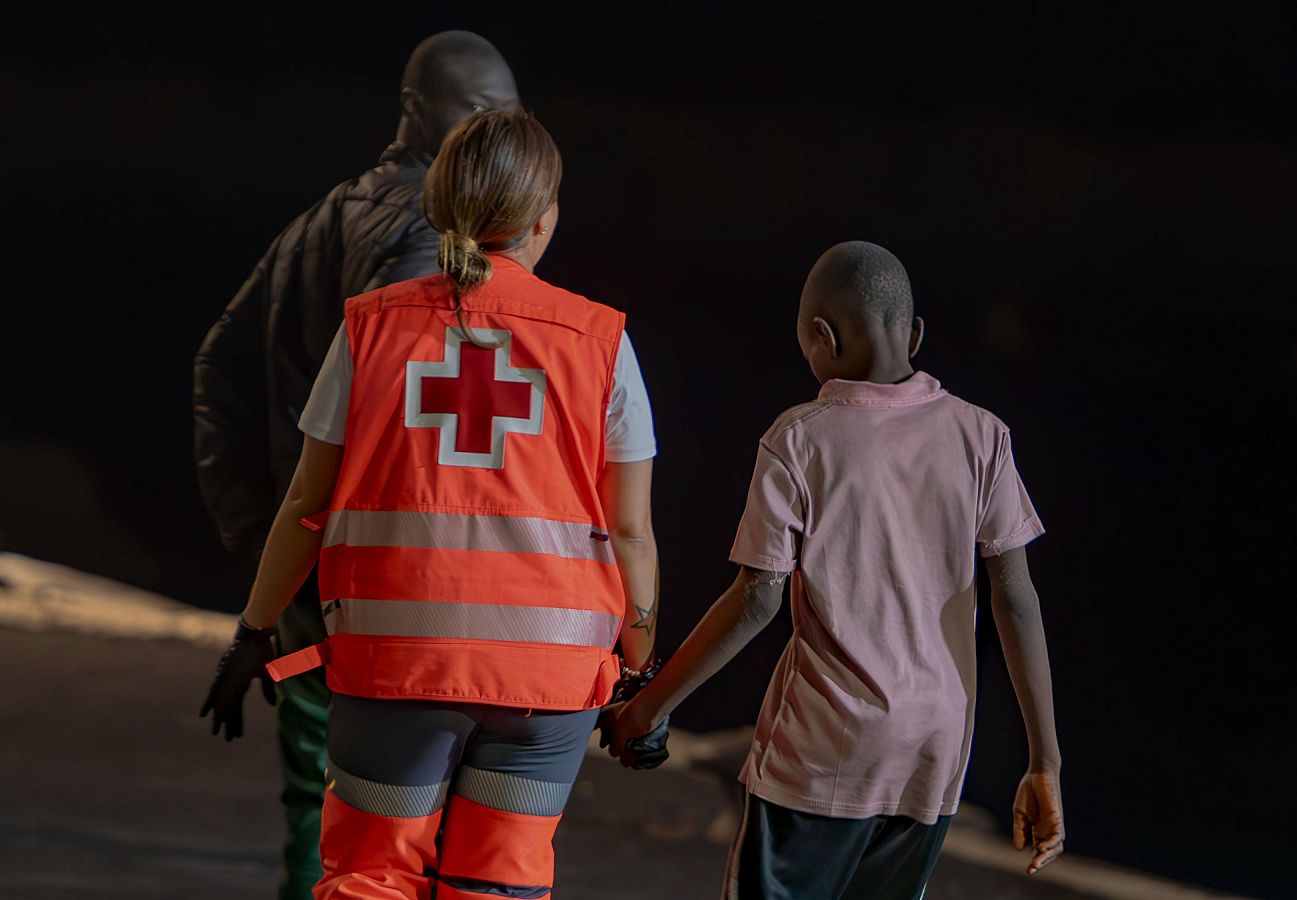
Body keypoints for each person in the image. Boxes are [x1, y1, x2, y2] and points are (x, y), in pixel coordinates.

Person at [200, 108, 662, 899]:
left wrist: (254, 628)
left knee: (370, 878)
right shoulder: (602, 343)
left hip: (393, 669)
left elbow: (305, 502)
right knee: (499, 888)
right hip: (543, 686)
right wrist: (643, 676)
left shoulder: (370, 330)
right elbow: (630, 530)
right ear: (544, 220)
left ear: (438, 207)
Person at [605, 241, 1065, 897]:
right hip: (933, 753)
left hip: (823, 753)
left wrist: (647, 708)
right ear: (915, 333)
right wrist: (1043, 763)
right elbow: (1015, 598)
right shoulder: (982, 434)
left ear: (820, 338)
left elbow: (756, 600)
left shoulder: (800, 438)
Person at [192, 31, 521, 899]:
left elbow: (218, 367)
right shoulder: (432, 233)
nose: (503, 129)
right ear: (421, 109)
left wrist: (264, 535)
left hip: (312, 573)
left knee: (319, 800)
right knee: (401, 827)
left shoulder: (319, 218)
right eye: (486, 110)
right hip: (387, 590)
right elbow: (424, 425)